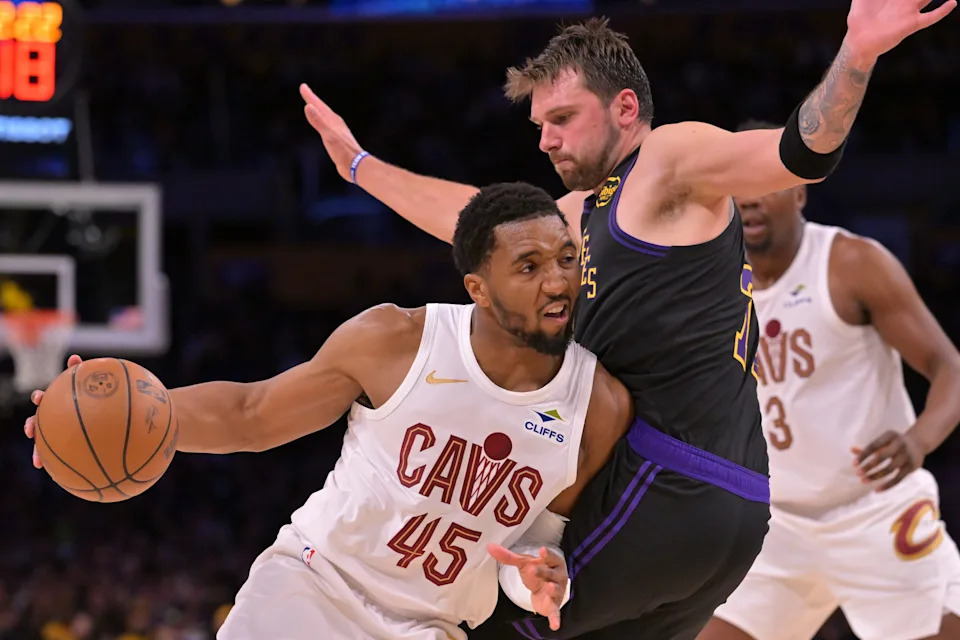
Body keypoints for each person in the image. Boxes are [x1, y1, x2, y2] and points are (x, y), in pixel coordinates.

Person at [298, 2, 955, 637]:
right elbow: (473, 219)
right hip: (720, 505)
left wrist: (858, 51)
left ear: (625, 108)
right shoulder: (583, 212)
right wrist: (361, 167)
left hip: (668, 479)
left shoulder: (669, 159)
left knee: (467, 623)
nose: (547, 138)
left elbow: (799, 151)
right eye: (539, 127)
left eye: (562, 118)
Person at [24, 183, 635, 640]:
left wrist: (539, 578)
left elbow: (530, 543)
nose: (558, 281)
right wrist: (117, 416)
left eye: (565, 259)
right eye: (529, 267)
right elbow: (252, 412)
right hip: (310, 591)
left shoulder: (599, 405)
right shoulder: (397, 340)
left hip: (431, 627)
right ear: (478, 287)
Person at [695, 120, 960, 640]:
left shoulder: (850, 264)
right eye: (737, 188)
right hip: (777, 524)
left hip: (875, 513)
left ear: (799, 189)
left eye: (764, 186)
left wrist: (918, 439)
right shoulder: (711, 285)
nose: (748, 201)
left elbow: (948, 366)